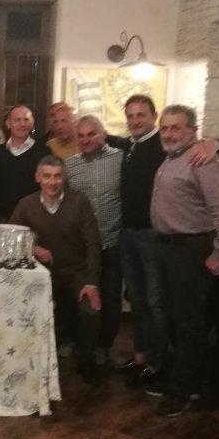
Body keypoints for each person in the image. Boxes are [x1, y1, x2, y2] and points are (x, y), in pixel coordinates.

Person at [109, 94, 219, 387]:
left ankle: (158, 364)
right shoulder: (130, 145)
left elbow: (208, 148)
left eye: (141, 115)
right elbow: (107, 138)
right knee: (138, 300)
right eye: (130, 116)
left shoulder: (168, 147)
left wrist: (215, 143)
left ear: (153, 116)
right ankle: (142, 357)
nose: (135, 121)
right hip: (129, 234)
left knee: (157, 302)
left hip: (156, 237)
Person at [149, 104, 219, 417]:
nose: (169, 133)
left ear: (192, 130)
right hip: (169, 247)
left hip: (190, 249)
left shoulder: (202, 159)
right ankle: (184, 378)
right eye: (164, 128)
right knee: (176, 318)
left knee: (189, 322)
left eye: (176, 127)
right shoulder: (172, 157)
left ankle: (184, 391)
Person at [10, 155, 103, 384]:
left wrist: (91, 282)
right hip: (43, 274)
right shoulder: (26, 204)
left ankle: (85, 359)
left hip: (77, 271)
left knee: (91, 311)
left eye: (58, 176)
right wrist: (33, 248)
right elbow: (11, 237)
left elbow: (93, 242)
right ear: (38, 178)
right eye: (47, 176)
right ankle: (32, 359)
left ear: (65, 177)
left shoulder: (79, 202)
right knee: (24, 310)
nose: (52, 182)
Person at [65, 115, 123, 368]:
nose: (85, 140)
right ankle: (78, 341)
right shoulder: (70, 165)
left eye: (91, 134)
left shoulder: (120, 158)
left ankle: (103, 346)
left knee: (110, 296)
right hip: (82, 246)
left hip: (111, 240)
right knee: (78, 296)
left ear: (103, 134)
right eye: (81, 136)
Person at [0, 104, 50, 222]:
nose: (22, 124)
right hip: (1, 220)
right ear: (8, 124)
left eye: (26, 119)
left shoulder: (44, 152)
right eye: (17, 120)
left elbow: (49, 187)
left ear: (32, 123)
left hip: (34, 219)